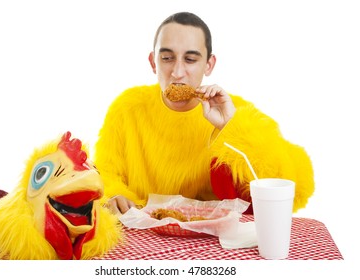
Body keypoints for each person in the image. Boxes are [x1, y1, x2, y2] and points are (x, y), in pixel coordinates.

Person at [93, 12, 314, 215]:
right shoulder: (127, 108)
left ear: (209, 64)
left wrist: (231, 127)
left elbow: (290, 191)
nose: (177, 73)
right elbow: (104, 175)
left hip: (215, 243)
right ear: (153, 62)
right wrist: (113, 196)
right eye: (167, 58)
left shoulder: (236, 111)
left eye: (190, 60)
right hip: (144, 236)